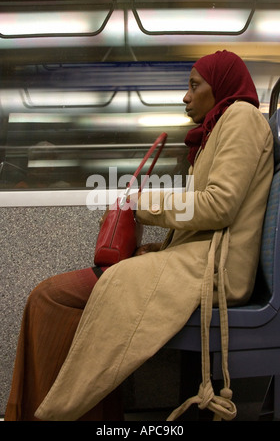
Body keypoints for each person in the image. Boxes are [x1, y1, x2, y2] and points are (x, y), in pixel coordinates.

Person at [5, 50, 274, 421]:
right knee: (50, 298)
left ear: (221, 87)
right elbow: (212, 214)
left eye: (194, 86)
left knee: (50, 299)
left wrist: (139, 204)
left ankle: (54, 413)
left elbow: (219, 206)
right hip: (198, 259)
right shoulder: (219, 129)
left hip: (216, 271)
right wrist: (160, 246)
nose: (185, 96)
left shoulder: (241, 117)